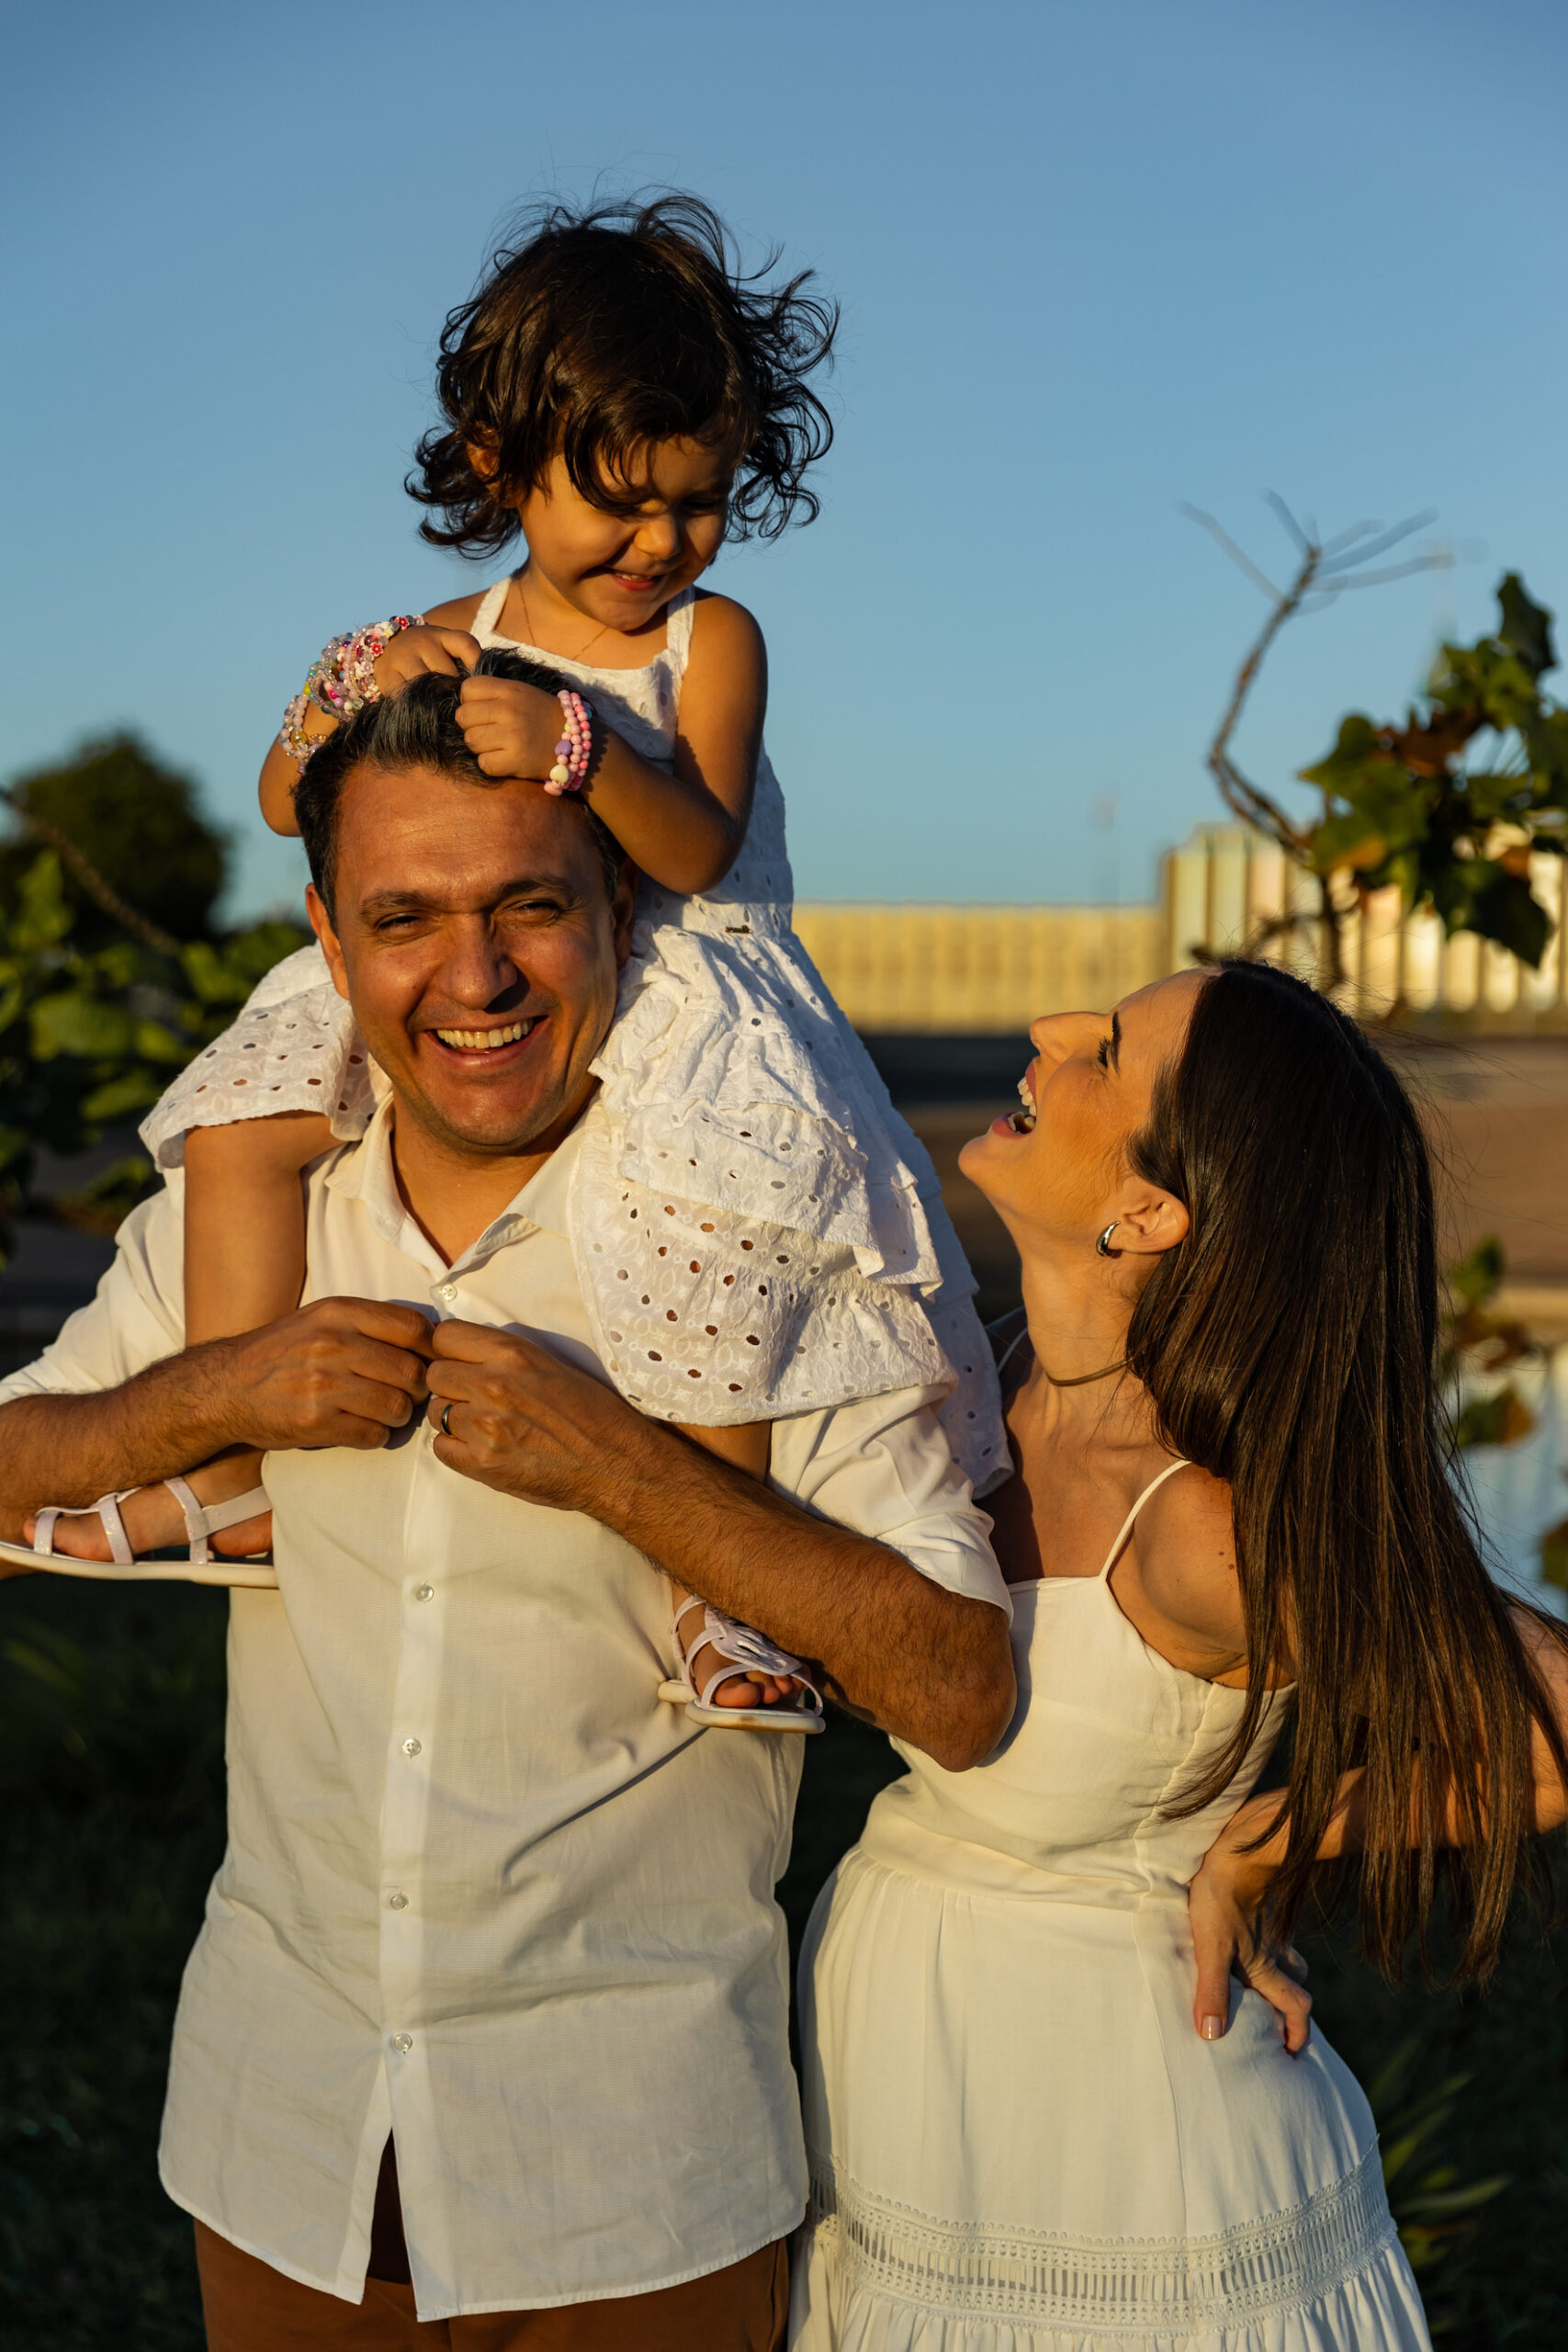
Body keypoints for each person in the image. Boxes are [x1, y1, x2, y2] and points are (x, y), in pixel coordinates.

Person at [0, 678, 1016, 2347]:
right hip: (279, 2137)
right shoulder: (243, 1224)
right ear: (328, 942)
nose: (470, 979)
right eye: (404, 919)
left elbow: (962, 1689)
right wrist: (211, 1397)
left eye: (527, 906)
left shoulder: (771, 1246)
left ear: (621, 905)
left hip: (641, 2175)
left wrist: (622, 1464)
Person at [44, 195, 1004, 1666]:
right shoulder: (451, 621)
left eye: (698, 499)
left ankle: (722, 1596)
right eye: (619, 499)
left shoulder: (711, 641)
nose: (661, 539)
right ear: (504, 467)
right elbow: (278, 793)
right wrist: (346, 684)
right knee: (246, 1118)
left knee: (705, 1226)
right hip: (491, 932)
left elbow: (702, 843)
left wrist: (576, 752)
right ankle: (226, 1467)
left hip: (679, 979)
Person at [791, 960, 1568, 2352]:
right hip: (914, 2103)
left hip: (1127, 2172)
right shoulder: (985, 1380)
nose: (1044, 1033)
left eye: (1103, 1052)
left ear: (1149, 1212)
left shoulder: (1212, 1525)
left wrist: (1278, 1838)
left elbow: (1555, 1715)